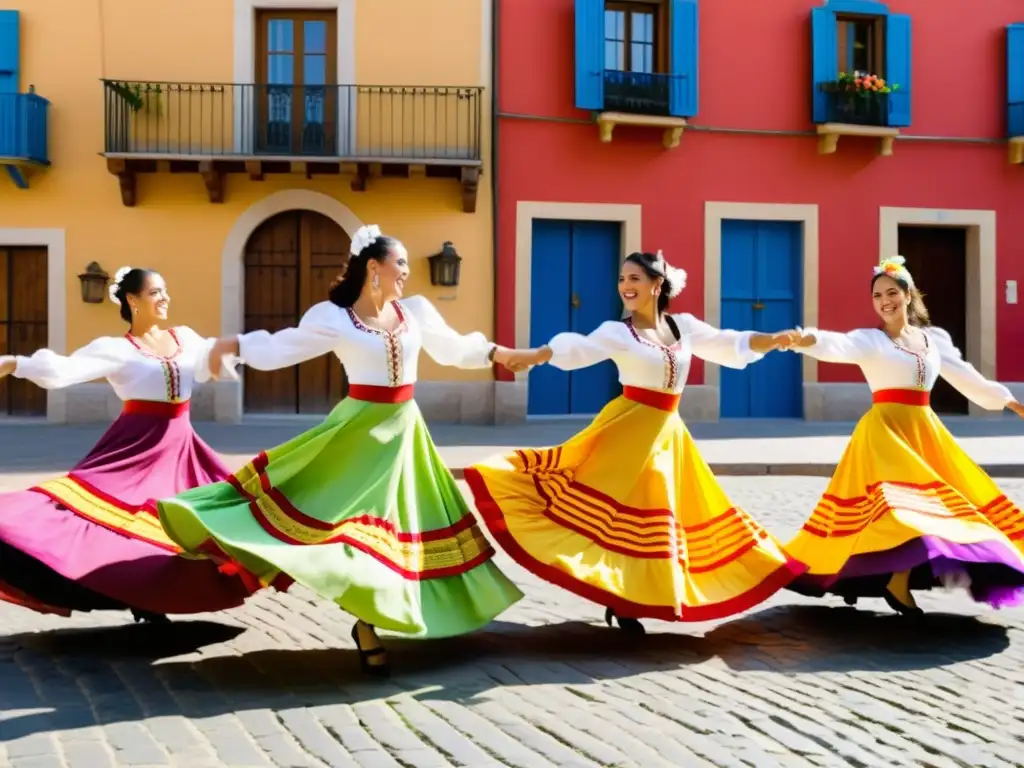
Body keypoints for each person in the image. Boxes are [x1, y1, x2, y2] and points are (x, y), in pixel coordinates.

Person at [154, 225, 524, 676]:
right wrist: (235, 345)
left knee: (398, 527)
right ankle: (367, 624)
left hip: (405, 433)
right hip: (355, 433)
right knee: (354, 529)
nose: (406, 272)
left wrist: (500, 354)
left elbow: (454, 349)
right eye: (400, 263)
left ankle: (380, 618)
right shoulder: (334, 317)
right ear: (375, 267)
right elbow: (283, 345)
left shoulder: (417, 312)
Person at [463, 250, 806, 633]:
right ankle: (625, 598)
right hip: (627, 430)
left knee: (666, 516)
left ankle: (641, 595)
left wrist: (774, 339)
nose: (626, 287)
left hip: (669, 434)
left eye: (634, 279)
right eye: (622, 280)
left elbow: (728, 342)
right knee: (622, 515)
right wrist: (531, 356)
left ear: (657, 285)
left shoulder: (684, 327)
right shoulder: (617, 332)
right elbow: (576, 348)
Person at [0, 267, 258, 622]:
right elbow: (63, 370)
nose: (165, 298)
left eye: (165, 290)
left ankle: (154, 596)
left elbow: (219, 355)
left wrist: (258, 350)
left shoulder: (186, 338)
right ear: (133, 300)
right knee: (118, 519)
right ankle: (139, 596)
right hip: (133, 448)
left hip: (181, 446)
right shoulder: (115, 349)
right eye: (155, 292)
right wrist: (15, 363)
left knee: (199, 518)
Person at [778, 256, 1024, 615]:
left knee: (942, 508)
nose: (884, 301)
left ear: (908, 295)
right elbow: (837, 345)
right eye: (877, 295)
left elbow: (969, 378)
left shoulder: (933, 339)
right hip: (885, 435)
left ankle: (890, 579)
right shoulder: (870, 340)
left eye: (892, 292)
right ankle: (891, 581)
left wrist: (1010, 402)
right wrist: (805, 338)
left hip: (924, 433)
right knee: (902, 509)